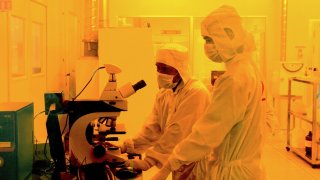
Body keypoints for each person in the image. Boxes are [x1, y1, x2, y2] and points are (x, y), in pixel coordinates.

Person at [152, 5, 266, 180]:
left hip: (232, 173)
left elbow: (206, 134)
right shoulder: (248, 69)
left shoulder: (233, 78)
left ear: (229, 34)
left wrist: (170, 164)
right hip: (247, 167)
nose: (206, 47)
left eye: (208, 39)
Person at [120, 43, 211, 179]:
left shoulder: (196, 92)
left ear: (179, 69)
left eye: (165, 69)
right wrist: (126, 147)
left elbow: (177, 132)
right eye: (158, 68)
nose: (160, 73)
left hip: (197, 165)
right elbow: (153, 128)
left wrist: (149, 161)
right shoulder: (165, 94)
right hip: (179, 163)